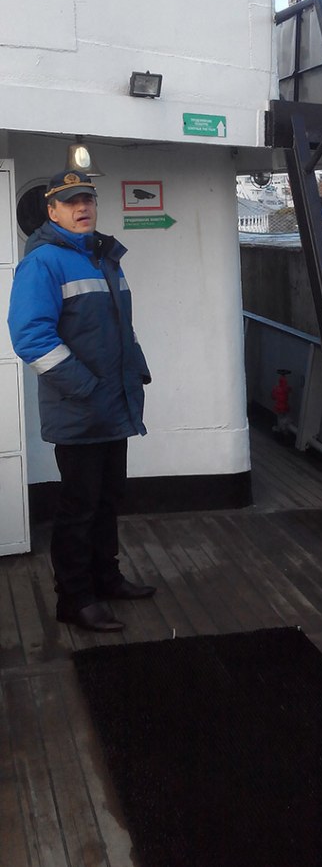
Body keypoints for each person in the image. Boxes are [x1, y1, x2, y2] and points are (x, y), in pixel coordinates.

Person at [8, 170, 156, 632]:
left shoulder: (103, 257)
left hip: (114, 406)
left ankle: (105, 579)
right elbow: (31, 339)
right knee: (79, 507)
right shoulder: (43, 263)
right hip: (80, 410)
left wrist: (137, 369)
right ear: (52, 212)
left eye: (87, 199)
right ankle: (74, 599)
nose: (82, 207)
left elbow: (121, 328)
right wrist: (87, 389)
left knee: (108, 500)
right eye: (70, 202)